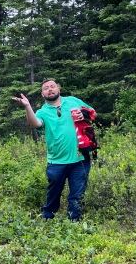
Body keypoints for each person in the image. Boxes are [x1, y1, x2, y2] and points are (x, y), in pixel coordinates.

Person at [12, 79, 93, 221]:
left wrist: (84, 115)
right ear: (42, 94)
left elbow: (93, 113)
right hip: (56, 161)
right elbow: (35, 123)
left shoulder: (73, 101)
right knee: (53, 193)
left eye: (52, 86)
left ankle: (75, 222)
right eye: (46, 88)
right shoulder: (42, 112)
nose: (50, 89)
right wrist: (27, 106)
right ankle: (47, 219)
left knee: (77, 195)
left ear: (59, 89)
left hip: (81, 158)